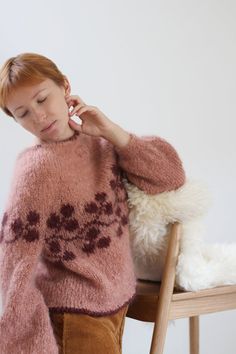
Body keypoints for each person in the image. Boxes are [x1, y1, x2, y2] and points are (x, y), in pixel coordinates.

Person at [0, 52, 186, 354]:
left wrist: (113, 131)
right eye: (22, 113)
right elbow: (14, 263)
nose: (39, 116)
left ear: (65, 86)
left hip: (113, 307)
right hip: (73, 316)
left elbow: (170, 177)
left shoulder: (102, 143)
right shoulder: (36, 170)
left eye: (42, 99)